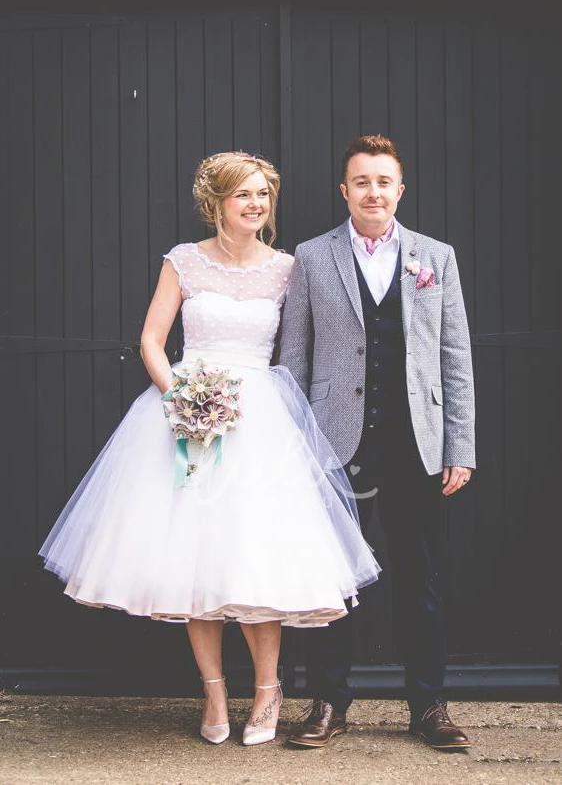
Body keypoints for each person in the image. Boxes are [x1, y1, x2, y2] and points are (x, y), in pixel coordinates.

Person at [39, 150, 380, 747]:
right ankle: (215, 692)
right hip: (188, 414)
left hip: (261, 421)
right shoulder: (184, 261)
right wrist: (182, 400)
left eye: (263, 194)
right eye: (244, 193)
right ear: (216, 202)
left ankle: (268, 692)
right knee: (192, 559)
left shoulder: (288, 267)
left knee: (258, 557)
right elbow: (151, 340)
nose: (256, 204)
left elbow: (301, 348)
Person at [280, 134, 475, 751]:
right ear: (345, 191)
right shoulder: (312, 257)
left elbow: (455, 357)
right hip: (337, 445)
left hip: (418, 445)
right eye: (361, 182)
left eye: (383, 181)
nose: (373, 192)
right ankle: (327, 704)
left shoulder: (435, 257)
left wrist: (460, 446)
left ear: (400, 189)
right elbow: (293, 358)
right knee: (334, 580)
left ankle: (429, 707)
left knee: (421, 580)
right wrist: (296, 447)